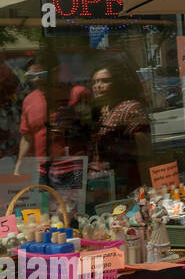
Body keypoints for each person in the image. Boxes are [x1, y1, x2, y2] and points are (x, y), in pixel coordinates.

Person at [15, 49, 91, 172]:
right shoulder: (29, 100)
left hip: (73, 167)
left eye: (42, 74)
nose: (36, 80)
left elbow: (91, 130)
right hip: (42, 169)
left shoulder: (78, 93)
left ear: (56, 71)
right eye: (31, 76)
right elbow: (27, 136)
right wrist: (19, 165)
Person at [89, 58, 152, 197]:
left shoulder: (130, 108)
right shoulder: (99, 110)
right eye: (94, 82)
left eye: (104, 81)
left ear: (117, 83)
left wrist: (117, 142)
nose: (97, 86)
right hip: (102, 184)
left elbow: (144, 148)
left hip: (125, 183)